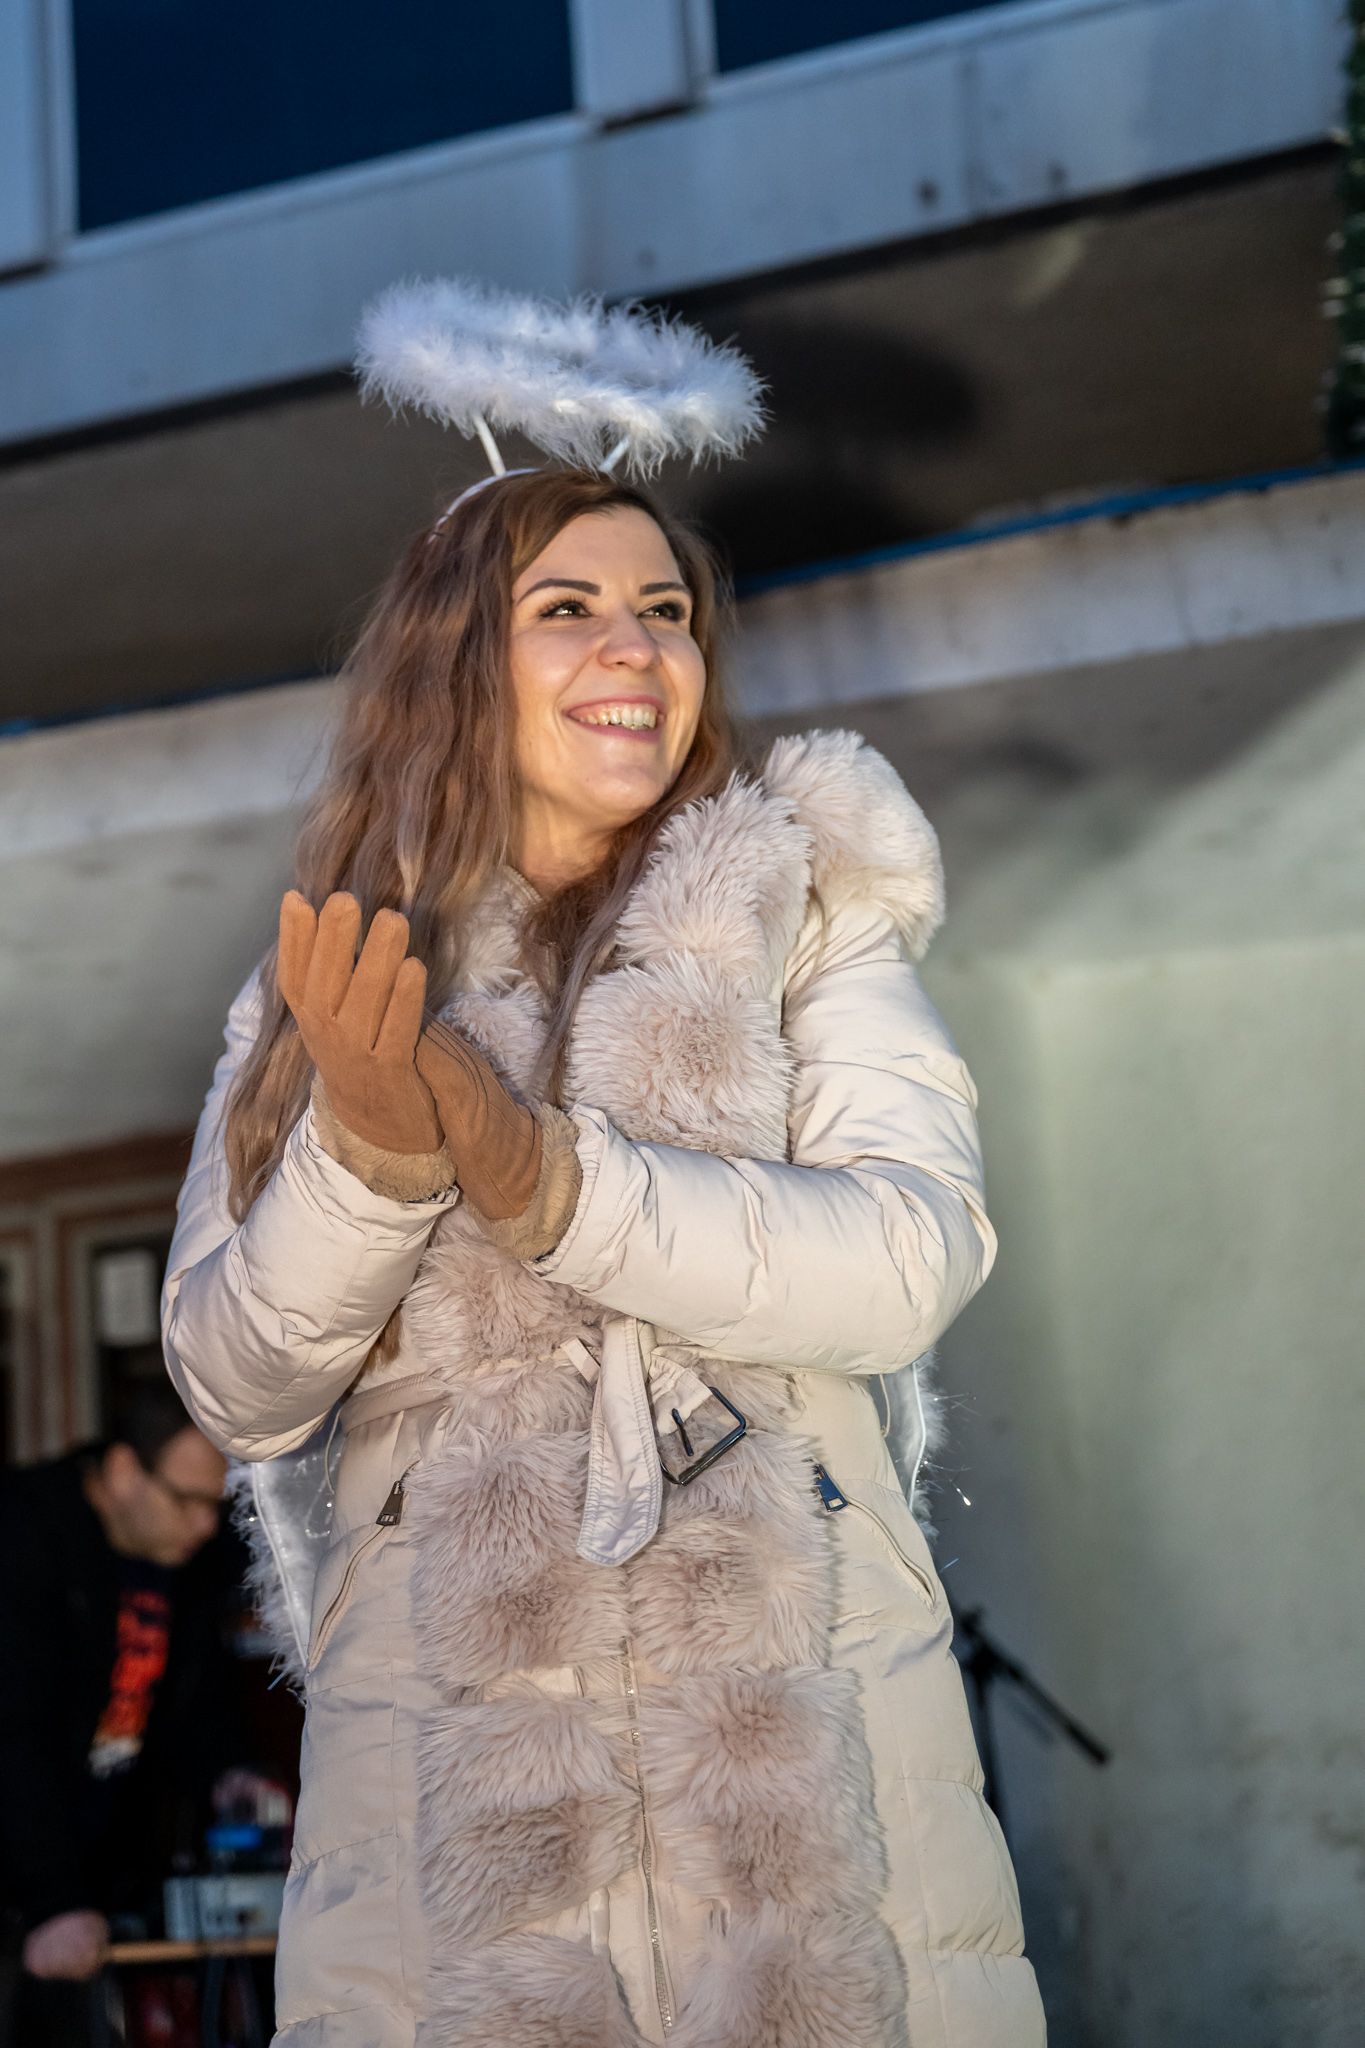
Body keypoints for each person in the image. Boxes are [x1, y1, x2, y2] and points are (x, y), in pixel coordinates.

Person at [162, 461, 1047, 2046]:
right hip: (447, 1756)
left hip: (805, 1713)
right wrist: (368, 1162)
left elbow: (909, 1259)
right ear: (454, 660)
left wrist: (553, 1186)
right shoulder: (327, 981)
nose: (634, 646)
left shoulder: (805, 913)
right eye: (565, 607)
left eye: (666, 610)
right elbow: (237, 1382)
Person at [0, 1381, 232, 2041]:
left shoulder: (186, 1562)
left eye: (215, 1505)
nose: (205, 1524)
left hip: (105, 1885)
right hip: (30, 1893)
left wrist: (230, 1775)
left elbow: (197, 1705)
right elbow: (11, 1733)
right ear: (125, 1469)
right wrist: (52, 1899)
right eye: (187, 1500)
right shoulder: (22, 1535)